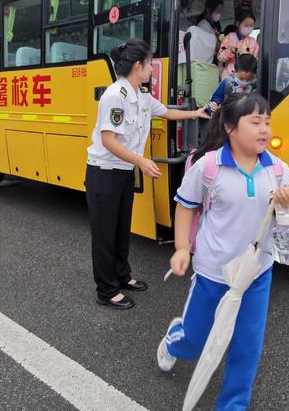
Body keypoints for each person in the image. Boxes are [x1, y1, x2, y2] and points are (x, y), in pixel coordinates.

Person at [156, 93, 289, 410]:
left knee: (246, 347)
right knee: (196, 341)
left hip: (256, 273)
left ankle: (232, 405)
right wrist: (182, 248)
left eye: (267, 121)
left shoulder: (277, 169)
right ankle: (174, 339)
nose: (264, 128)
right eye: (255, 121)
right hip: (212, 271)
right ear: (231, 127)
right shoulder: (208, 166)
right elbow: (185, 206)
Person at [85, 39, 209, 310]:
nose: (153, 69)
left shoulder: (140, 95)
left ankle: (122, 276)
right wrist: (141, 160)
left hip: (124, 172)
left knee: (121, 229)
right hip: (104, 174)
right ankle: (106, 290)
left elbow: (165, 112)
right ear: (138, 66)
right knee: (105, 234)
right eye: (150, 64)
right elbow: (109, 140)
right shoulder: (115, 95)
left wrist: (195, 113)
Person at [217, 8, 260, 79]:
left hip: (246, 80)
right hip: (229, 78)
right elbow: (220, 58)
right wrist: (230, 51)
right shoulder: (229, 38)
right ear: (237, 24)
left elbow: (255, 63)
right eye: (246, 25)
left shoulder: (253, 43)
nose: (249, 28)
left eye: (251, 26)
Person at [186, 0, 224, 64]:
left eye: (221, 11)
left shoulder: (213, 24)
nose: (220, 13)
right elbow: (208, 45)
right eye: (218, 10)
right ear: (208, 9)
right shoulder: (203, 25)